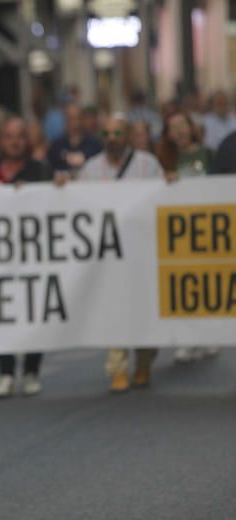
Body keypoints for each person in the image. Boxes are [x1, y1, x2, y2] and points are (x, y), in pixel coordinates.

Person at [77, 114, 168, 392]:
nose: (112, 139)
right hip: (108, 255)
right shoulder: (91, 169)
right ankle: (117, 367)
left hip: (142, 251)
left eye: (118, 133)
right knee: (113, 309)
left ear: (127, 136)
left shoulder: (147, 164)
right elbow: (76, 205)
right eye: (107, 134)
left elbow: (164, 197)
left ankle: (143, 361)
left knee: (143, 308)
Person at [0, 117, 52, 398]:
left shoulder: (40, 170)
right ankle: (6, 372)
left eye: (20, 136)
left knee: (34, 309)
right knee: (2, 312)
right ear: (1, 140)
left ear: (27, 140)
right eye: (9, 136)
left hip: (33, 255)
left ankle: (32, 370)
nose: (15, 141)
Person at [155, 111, 218, 363]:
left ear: (192, 128)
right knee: (181, 287)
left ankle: (208, 335)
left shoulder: (209, 154)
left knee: (206, 283)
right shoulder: (165, 160)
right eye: (174, 128)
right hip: (177, 232)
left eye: (183, 125)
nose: (180, 131)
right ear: (168, 135)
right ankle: (185, 339)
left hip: (205, 226)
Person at [47, 104, 103, 180]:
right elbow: (49, 172)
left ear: (82, 119)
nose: (74, 122)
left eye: (77, 118)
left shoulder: (94, 144)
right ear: (65, 120)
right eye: (70, 118)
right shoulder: (56, 146)